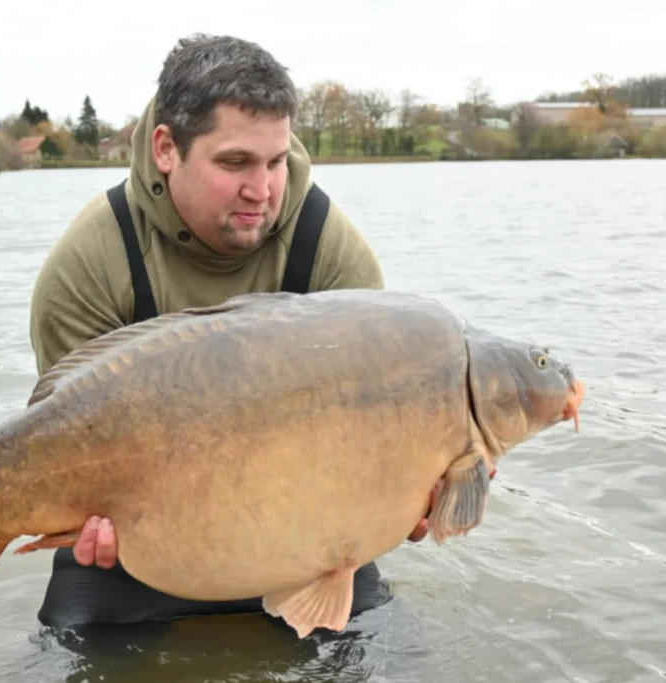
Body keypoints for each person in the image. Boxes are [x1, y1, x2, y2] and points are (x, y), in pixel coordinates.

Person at [28, 33, 436, 633]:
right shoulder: (91, 262)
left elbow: (380, 424)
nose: (262, 190)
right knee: (69, 649)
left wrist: (412, 490)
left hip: (306, 530)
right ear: (167, 148)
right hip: (140, 546)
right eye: (235, 163)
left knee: (387, 653)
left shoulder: (330, 251)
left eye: (276, 162)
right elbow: (63, 437)